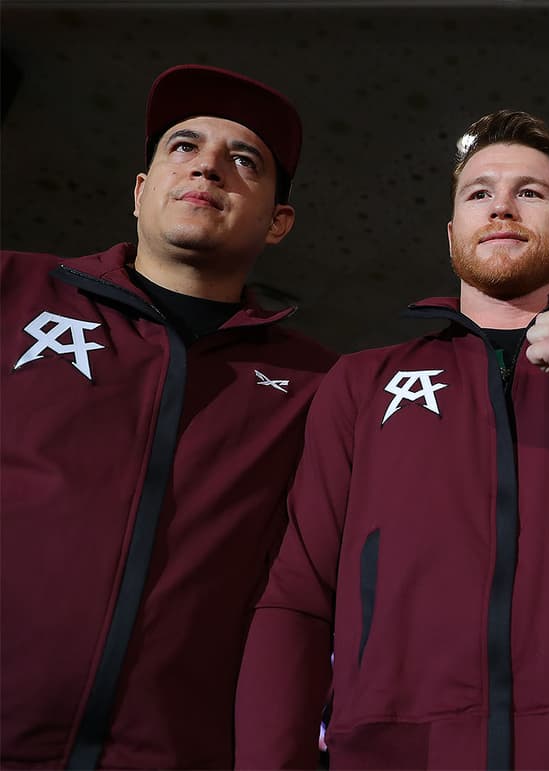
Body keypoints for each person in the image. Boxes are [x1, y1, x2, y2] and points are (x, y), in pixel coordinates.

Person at [233, 110, 549, 769]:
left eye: (531, 191)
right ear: (452, 232)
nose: (502, 207)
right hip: (395, 751)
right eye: (479, 192)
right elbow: (298, 596)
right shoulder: (360, 381)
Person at [1, 65, 336, 768]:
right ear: (141, 190)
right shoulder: (13, 292)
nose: (208, 165)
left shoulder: (320, 385)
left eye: (244, 160)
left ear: (279, 222)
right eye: (182, 147)